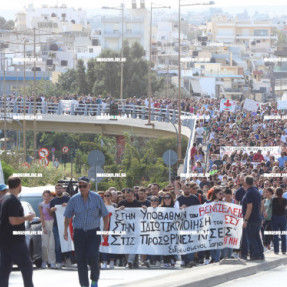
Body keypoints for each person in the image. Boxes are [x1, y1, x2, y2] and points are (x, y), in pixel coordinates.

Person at [64, 177, 109, 287]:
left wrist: (105, 230)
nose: (82, 188)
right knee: (81, 259)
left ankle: (94, 280)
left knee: (93, 256)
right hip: (79, 233)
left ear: (89, 186)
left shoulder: (97, 198)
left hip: (93, 232)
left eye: (84, 186)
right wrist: (65, 230)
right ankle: (84, 284)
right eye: (80, 186)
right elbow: (68, 215)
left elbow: (105, 214)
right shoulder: (74, 199)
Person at [0, 177, 35, 287]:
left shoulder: (4, 198)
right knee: (27, 266)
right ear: (19, 185)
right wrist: (27, 218)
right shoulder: (13, 200)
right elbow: (13, 220)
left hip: (5, 240)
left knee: (5, 269)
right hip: (15, 240)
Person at [174, 183, 200, 267]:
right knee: (183, 242)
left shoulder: (194, 198)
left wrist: (188, 208)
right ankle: (184, 259)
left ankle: (190, 260)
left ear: (190, 189)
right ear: (182, 189)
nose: (186, 190)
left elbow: (198, 210)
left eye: (188, 188)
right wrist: (180, 209)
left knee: (191, 241)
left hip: (192, 224)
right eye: (185, 188)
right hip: (182, 224)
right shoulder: (179, 199)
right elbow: (175, 210)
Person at [118, 189, 142, 269]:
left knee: (134, 244)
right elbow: (116, 215)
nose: (128, 197)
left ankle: (130, 261)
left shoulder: (138, 203)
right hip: (125, 227)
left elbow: (142, 214)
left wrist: (144, 208)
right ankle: (129, 261)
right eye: (126, 196)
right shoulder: (122, 203)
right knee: (126, 244)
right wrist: (119, 209)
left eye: (129, 196)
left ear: (133, 195)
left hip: (135, 228)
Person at [242, 175, 264, 261]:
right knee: (256, 237)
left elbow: (249, 207)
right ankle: (260, 254)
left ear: (245, 182)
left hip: (251, 219)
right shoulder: (256, 191)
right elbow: (261, 204)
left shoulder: (249, 193)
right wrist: (260, 215)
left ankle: (256, 255)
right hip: (257, 217)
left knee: (251, 237)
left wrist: (246, 220)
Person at [49, 183, 71, 269]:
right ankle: (59, 261)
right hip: (56, 225)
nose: (58, 190)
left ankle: (68, 259)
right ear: (55, 190)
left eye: (60, 188)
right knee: (58, 244)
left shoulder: (68, 199)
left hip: (67, 224)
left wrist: (67, 205)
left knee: (67, 241)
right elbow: (50, 213)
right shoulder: (53, 201)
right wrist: (51, 210)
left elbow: (73, 209)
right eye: (57, 188)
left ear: (63, 189)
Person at [38, 190, 56, 268]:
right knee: (45, 245)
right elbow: (41, 216)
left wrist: (49, 209)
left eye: (48, 196)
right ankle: (44, 260)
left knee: (52, 244)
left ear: (50, 196)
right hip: (45, 223)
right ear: (43, 196)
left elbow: (51, 214)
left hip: (52, 222)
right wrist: (44, 226)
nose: (46, 197)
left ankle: (52, 262)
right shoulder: (40, 205)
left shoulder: (51, 203)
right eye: (45, 196)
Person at [159, 192, 176, 268]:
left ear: (171, 199)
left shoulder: (175, 207)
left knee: (172, 245)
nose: (167, 199)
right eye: (165, 198)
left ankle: (172, 258)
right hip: (163, 230)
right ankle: (166, 260)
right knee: (164, 245)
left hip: (173, 230)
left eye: (168, 198)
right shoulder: (160, 208)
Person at [271, 187, 287, 254]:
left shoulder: (273, 200)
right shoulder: (285, 200)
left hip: (275, 217)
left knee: (275, 235)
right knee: (283, 235)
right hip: (283, 217)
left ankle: (276, 250)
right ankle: (284, 250)